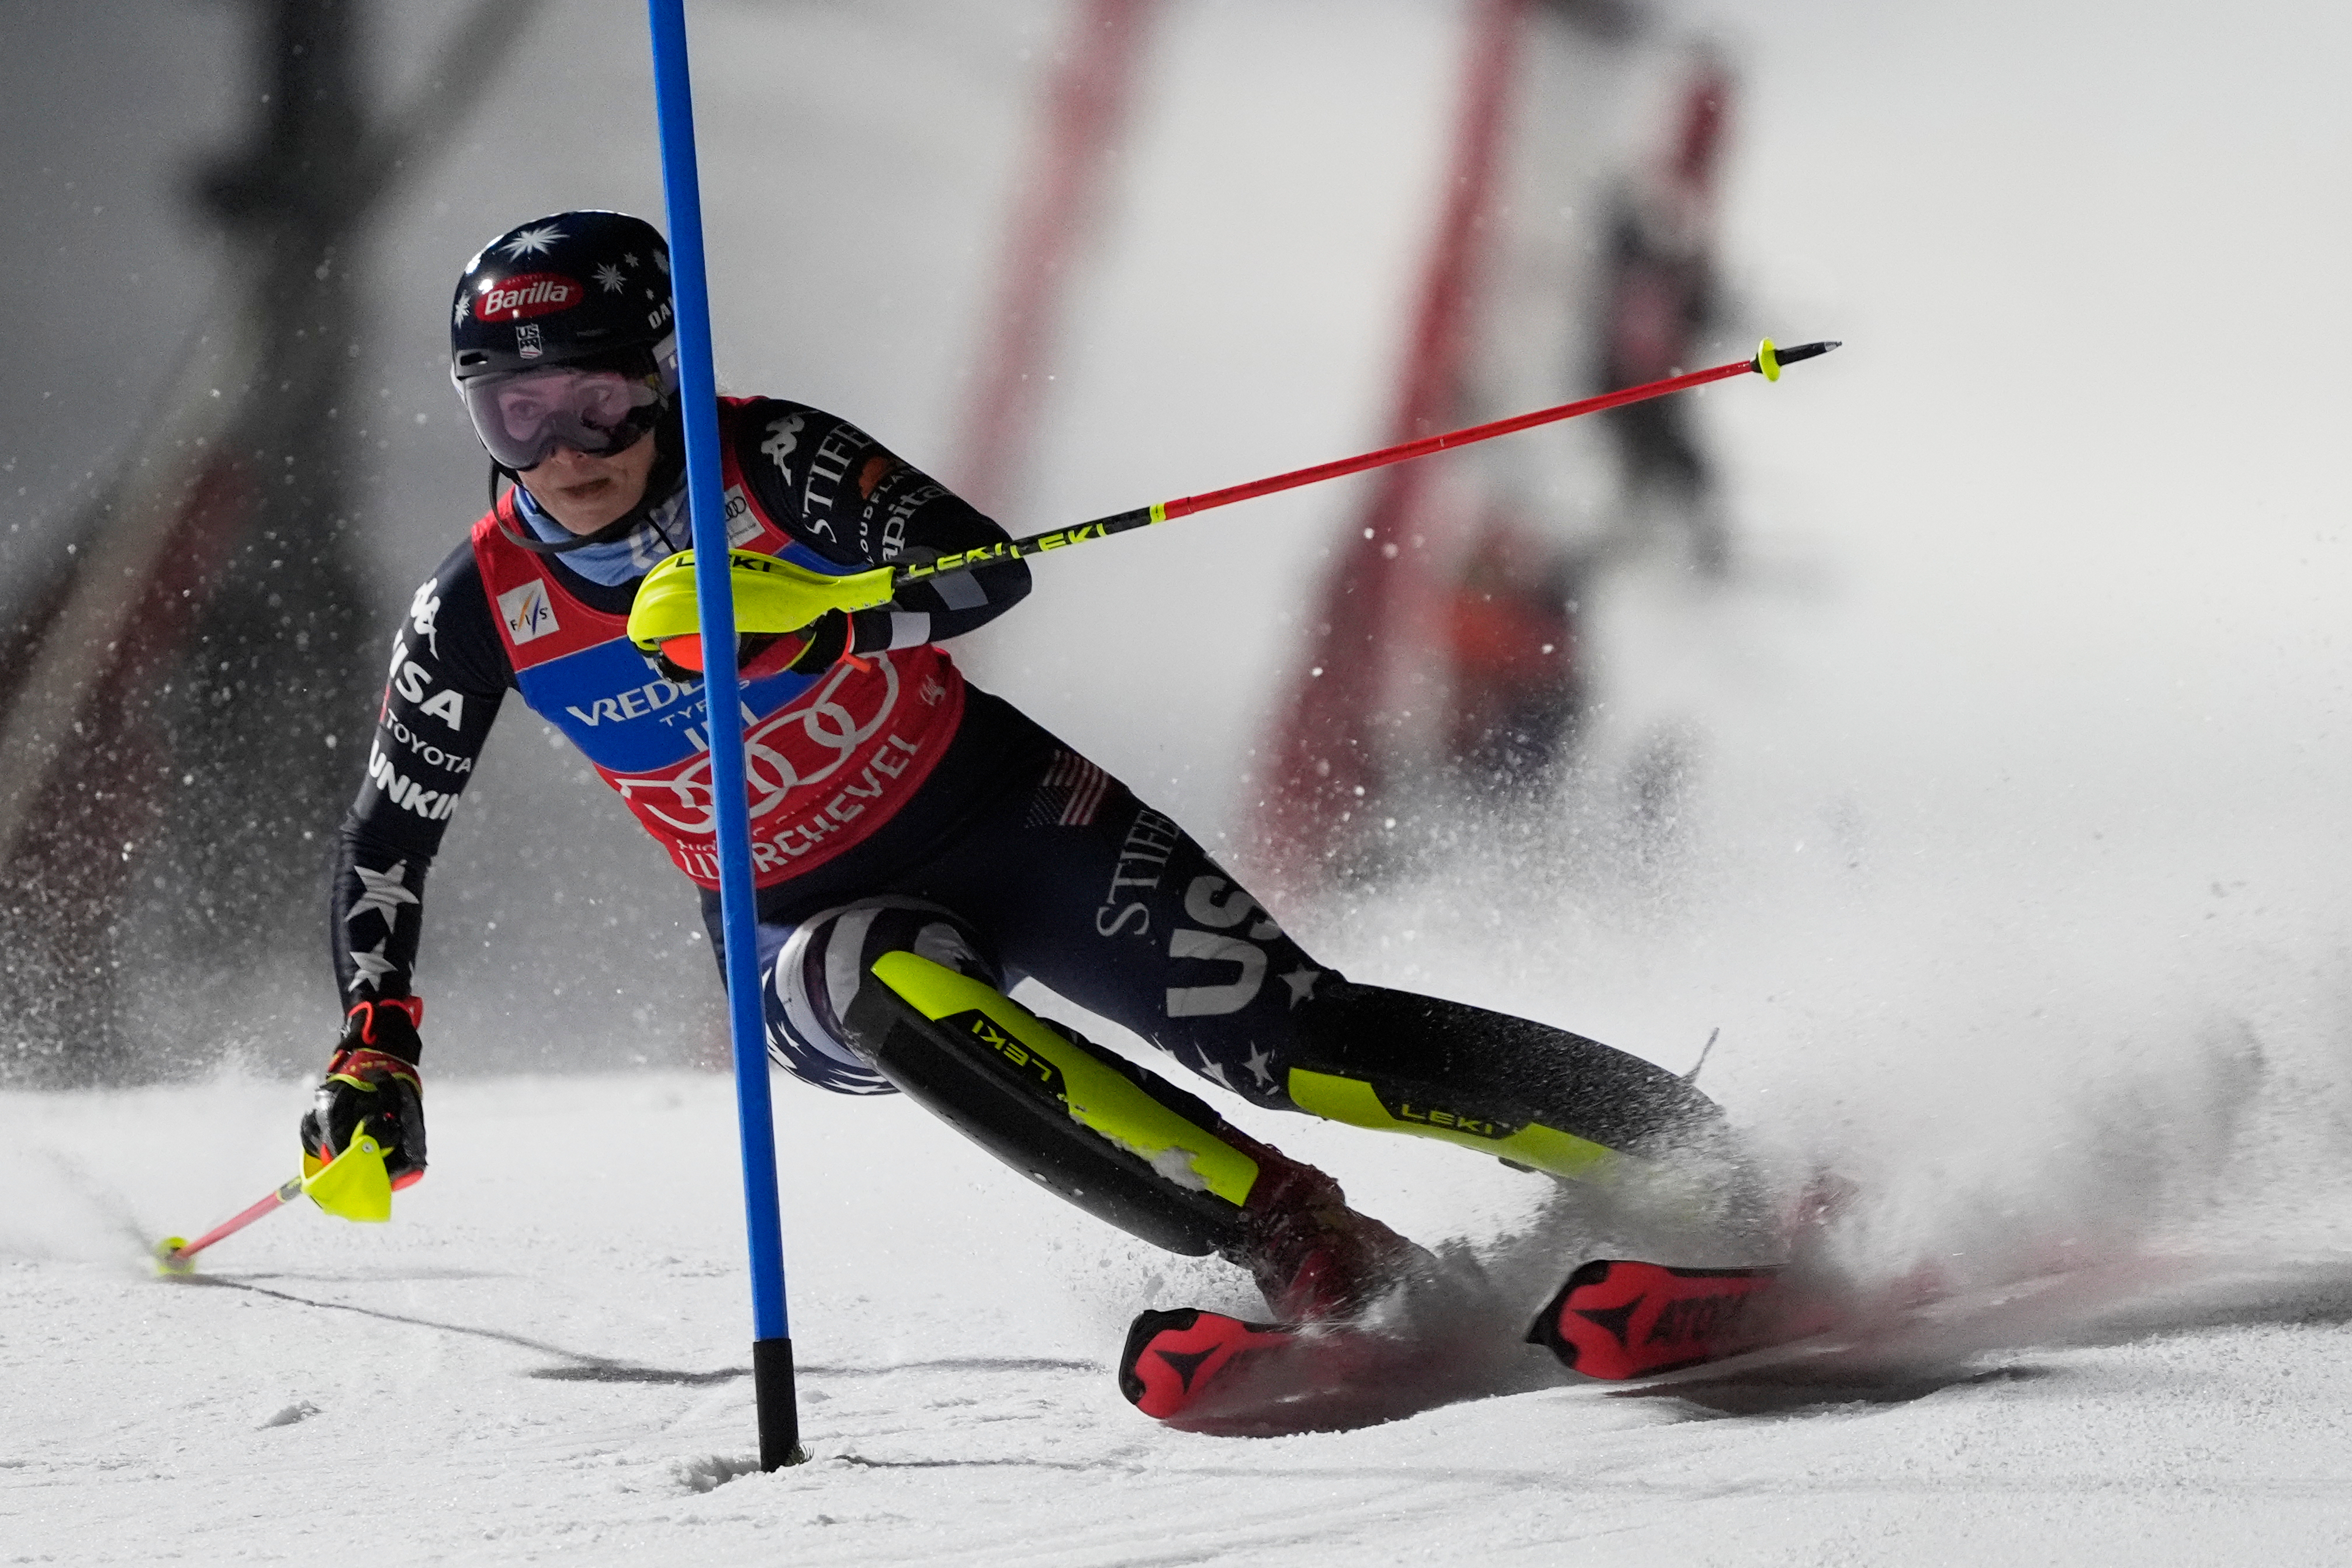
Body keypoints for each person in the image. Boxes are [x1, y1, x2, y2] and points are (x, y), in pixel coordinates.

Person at [305, 211, 1738, 1325]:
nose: (566, 450)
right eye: (516, 415)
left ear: (662, 369)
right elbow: (389, 840)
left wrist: (824, 620)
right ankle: (1305, 1245)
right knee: (868, 975)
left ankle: (1693, 1157)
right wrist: (376, 1045)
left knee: (1297, 1042)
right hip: (796, 921)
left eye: (602, 399)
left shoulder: (774, 459)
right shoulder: (477, 608)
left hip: (1005, 815)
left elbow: (984, 571)